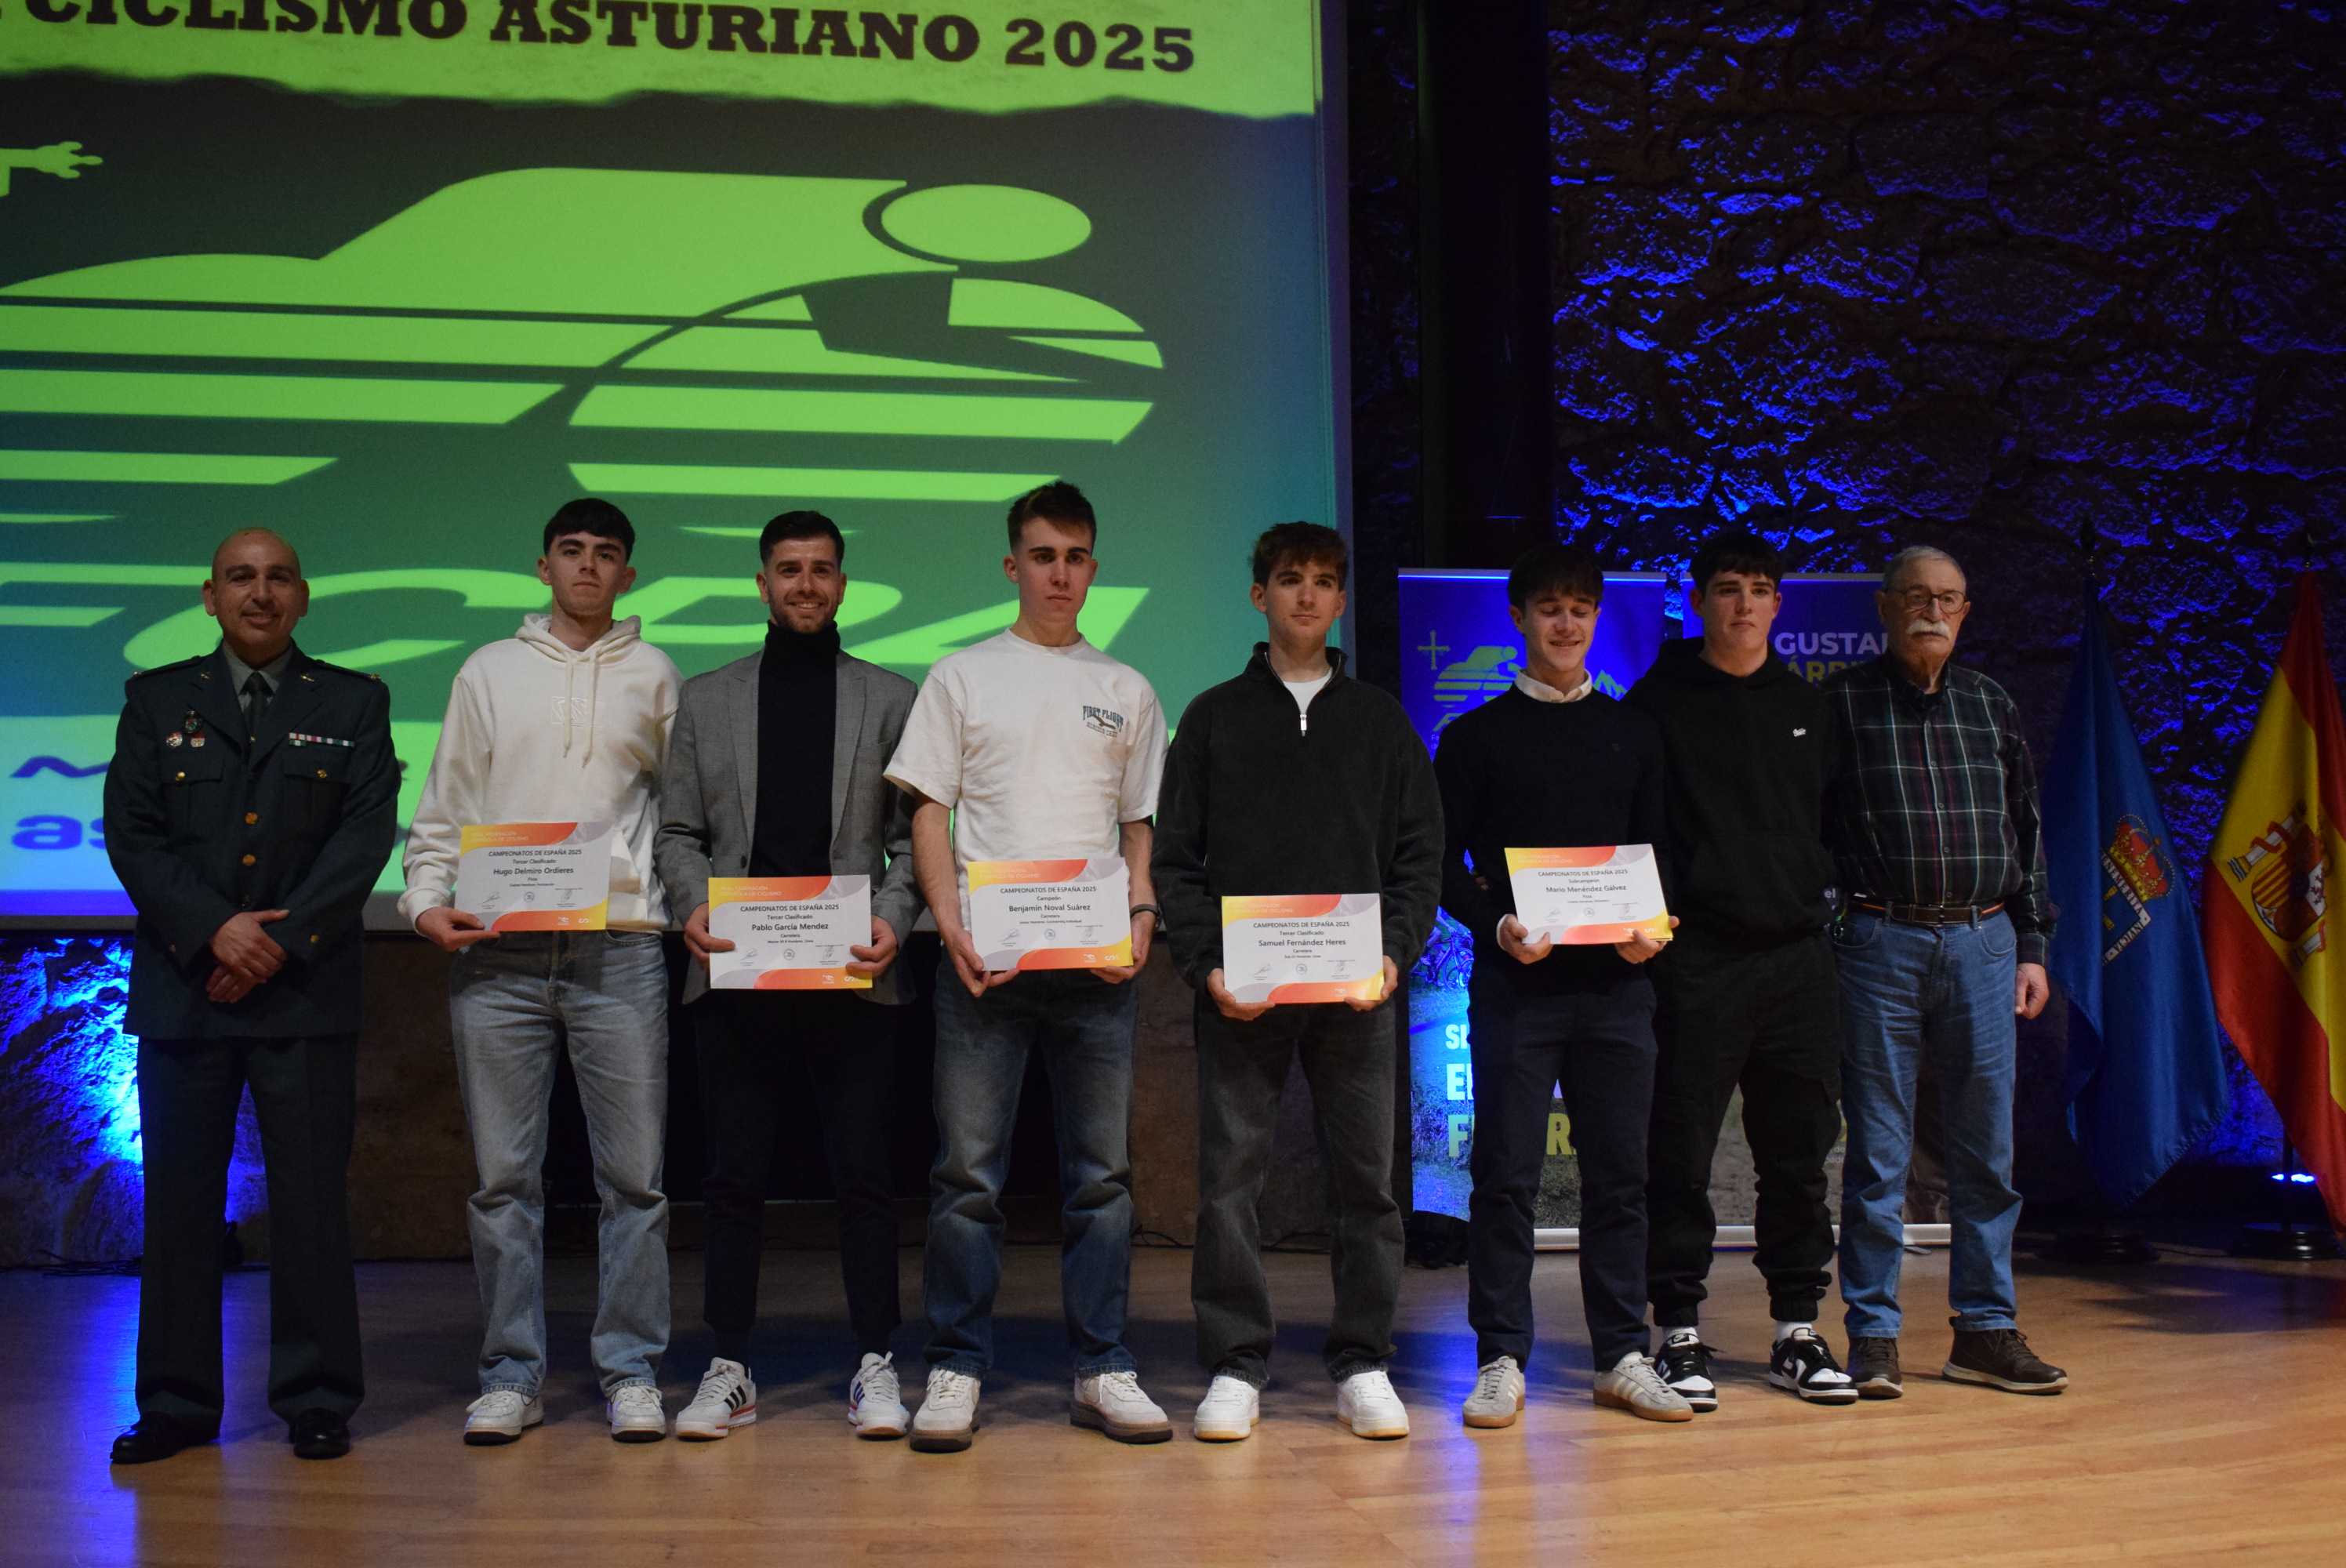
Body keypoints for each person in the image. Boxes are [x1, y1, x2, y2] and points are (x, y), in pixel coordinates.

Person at [884, 481, 1171, 1452]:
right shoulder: (961, 676)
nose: (1060, 572)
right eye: (1042, 555)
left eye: (1076, 555)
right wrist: (950, 919)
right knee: (966, 1178)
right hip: (984, 971)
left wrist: (1139, 911)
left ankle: (1103, 1364)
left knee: (1102, 1178)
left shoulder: (1126, 687)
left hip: (1096, 972)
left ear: (1093, 566)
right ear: (1013, 565)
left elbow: (1137, 826)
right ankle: (957, 1365)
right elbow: (927, 805)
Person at [102, 528, 396, 1464]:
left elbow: (362, 837)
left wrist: (276, 939)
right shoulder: (155, 701)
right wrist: (214, 929)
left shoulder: (354, 700)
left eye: (277, 579)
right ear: (209, 595)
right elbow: (133, 833)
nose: (259, 594)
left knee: (312, 1205)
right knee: (181, 1205)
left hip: (302, 990)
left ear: (303, 596)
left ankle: (316, 1397)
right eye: (241, 578)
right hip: (188, 988)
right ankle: (177, 1403)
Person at [400, 498, 684, 1443]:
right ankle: (510, 1372)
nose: (589, 567)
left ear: (629, 575)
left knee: (634, 1179)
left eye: (608, 554)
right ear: (543, 565)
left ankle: (631, 1367)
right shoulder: (488, 670)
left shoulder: (655, 673)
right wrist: (423, 898)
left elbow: (678, 817)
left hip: (622, 948)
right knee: (503, 1179)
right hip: (498, 954)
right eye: (572, 551)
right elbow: (445, 806)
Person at [1153, 521, 1444, 1443]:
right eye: (1288, 580)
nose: (1306, 596)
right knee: (1230, 1180)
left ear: (1341, 599)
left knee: (1367, 1185)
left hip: (1357, 995)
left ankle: (1362, 1358)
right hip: (1244, 993)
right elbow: (1175, 861)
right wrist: (1205, 965)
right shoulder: (1211, 717)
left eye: (1323, 581)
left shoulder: (1380, 721)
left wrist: (1392, 952)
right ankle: (1236, 1362)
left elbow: (1418, 857)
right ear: (1258, 595)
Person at [653, 510, 922, 1442]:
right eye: (788, 570)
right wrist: (691, 902)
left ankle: (875, 1361)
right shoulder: (706, 697)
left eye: (821, 570)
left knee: (866, 1176)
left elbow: (909, 844)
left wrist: (893, 919)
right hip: (737, 972)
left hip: (852, 973)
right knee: (730, 1176)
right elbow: (678, 831)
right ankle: (727, 1362)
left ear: (843, 583)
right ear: (761, 582)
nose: (805, 584)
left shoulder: (892, 697)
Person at [1433, 542, 1690, 1427]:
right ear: (1517, 618)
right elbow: (1439, 861)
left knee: (1620, 1177)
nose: (1566, 622)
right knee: (1504, 1174)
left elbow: (1659, 855)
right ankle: (1500, 1352)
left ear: (1595, 617)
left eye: (1580, 606)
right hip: (1518, 985)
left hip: (1618, 989)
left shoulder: (1633, 731)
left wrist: (1649, 927)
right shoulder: (1474, 737)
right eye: (1548, 607)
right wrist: (1495, 923)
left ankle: (1621, 1351)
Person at [1823, 545, 2066, 1398]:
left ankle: (1985, 1329)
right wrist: (1834, 929)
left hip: (1984, 942)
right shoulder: (1841, 704)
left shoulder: (1991, 705)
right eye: (1917, 596)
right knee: (1879, 1153)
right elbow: (1808, 834)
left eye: (1949, 598)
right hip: (1878, 942)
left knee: (1984, 1152)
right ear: (1885, 608)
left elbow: (2028, 835)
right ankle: (1874, 1333)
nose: (1933, 609)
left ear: (1965, 612)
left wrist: (2031, 945)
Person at [1626, 528, 1854, 1410]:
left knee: (1798, 1153)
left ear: (1778, 604)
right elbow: (1640, 828)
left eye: (1760, 589)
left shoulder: (1809, 707)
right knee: (1677, 1153)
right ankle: (1678, 1328)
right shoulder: (1655, 705)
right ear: (1698, 599)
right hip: (1699, 961)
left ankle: (1797, 1324)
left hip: (1797, 961)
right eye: (1728, 588)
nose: (1745, 604)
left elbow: (1830, 823)